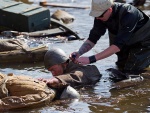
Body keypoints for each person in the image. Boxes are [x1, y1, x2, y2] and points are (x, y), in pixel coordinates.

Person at [70, 0, 150, 74]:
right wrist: (79, 52)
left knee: (132, 71)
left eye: (100, 15)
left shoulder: (129, 13)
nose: (97, 18)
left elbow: (117, 46)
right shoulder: (100, 16)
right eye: (96, 15)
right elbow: (92, 38)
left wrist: (90, 59)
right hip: (125, 42)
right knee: (121, 67)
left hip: (144, 43)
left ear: (109, 10)